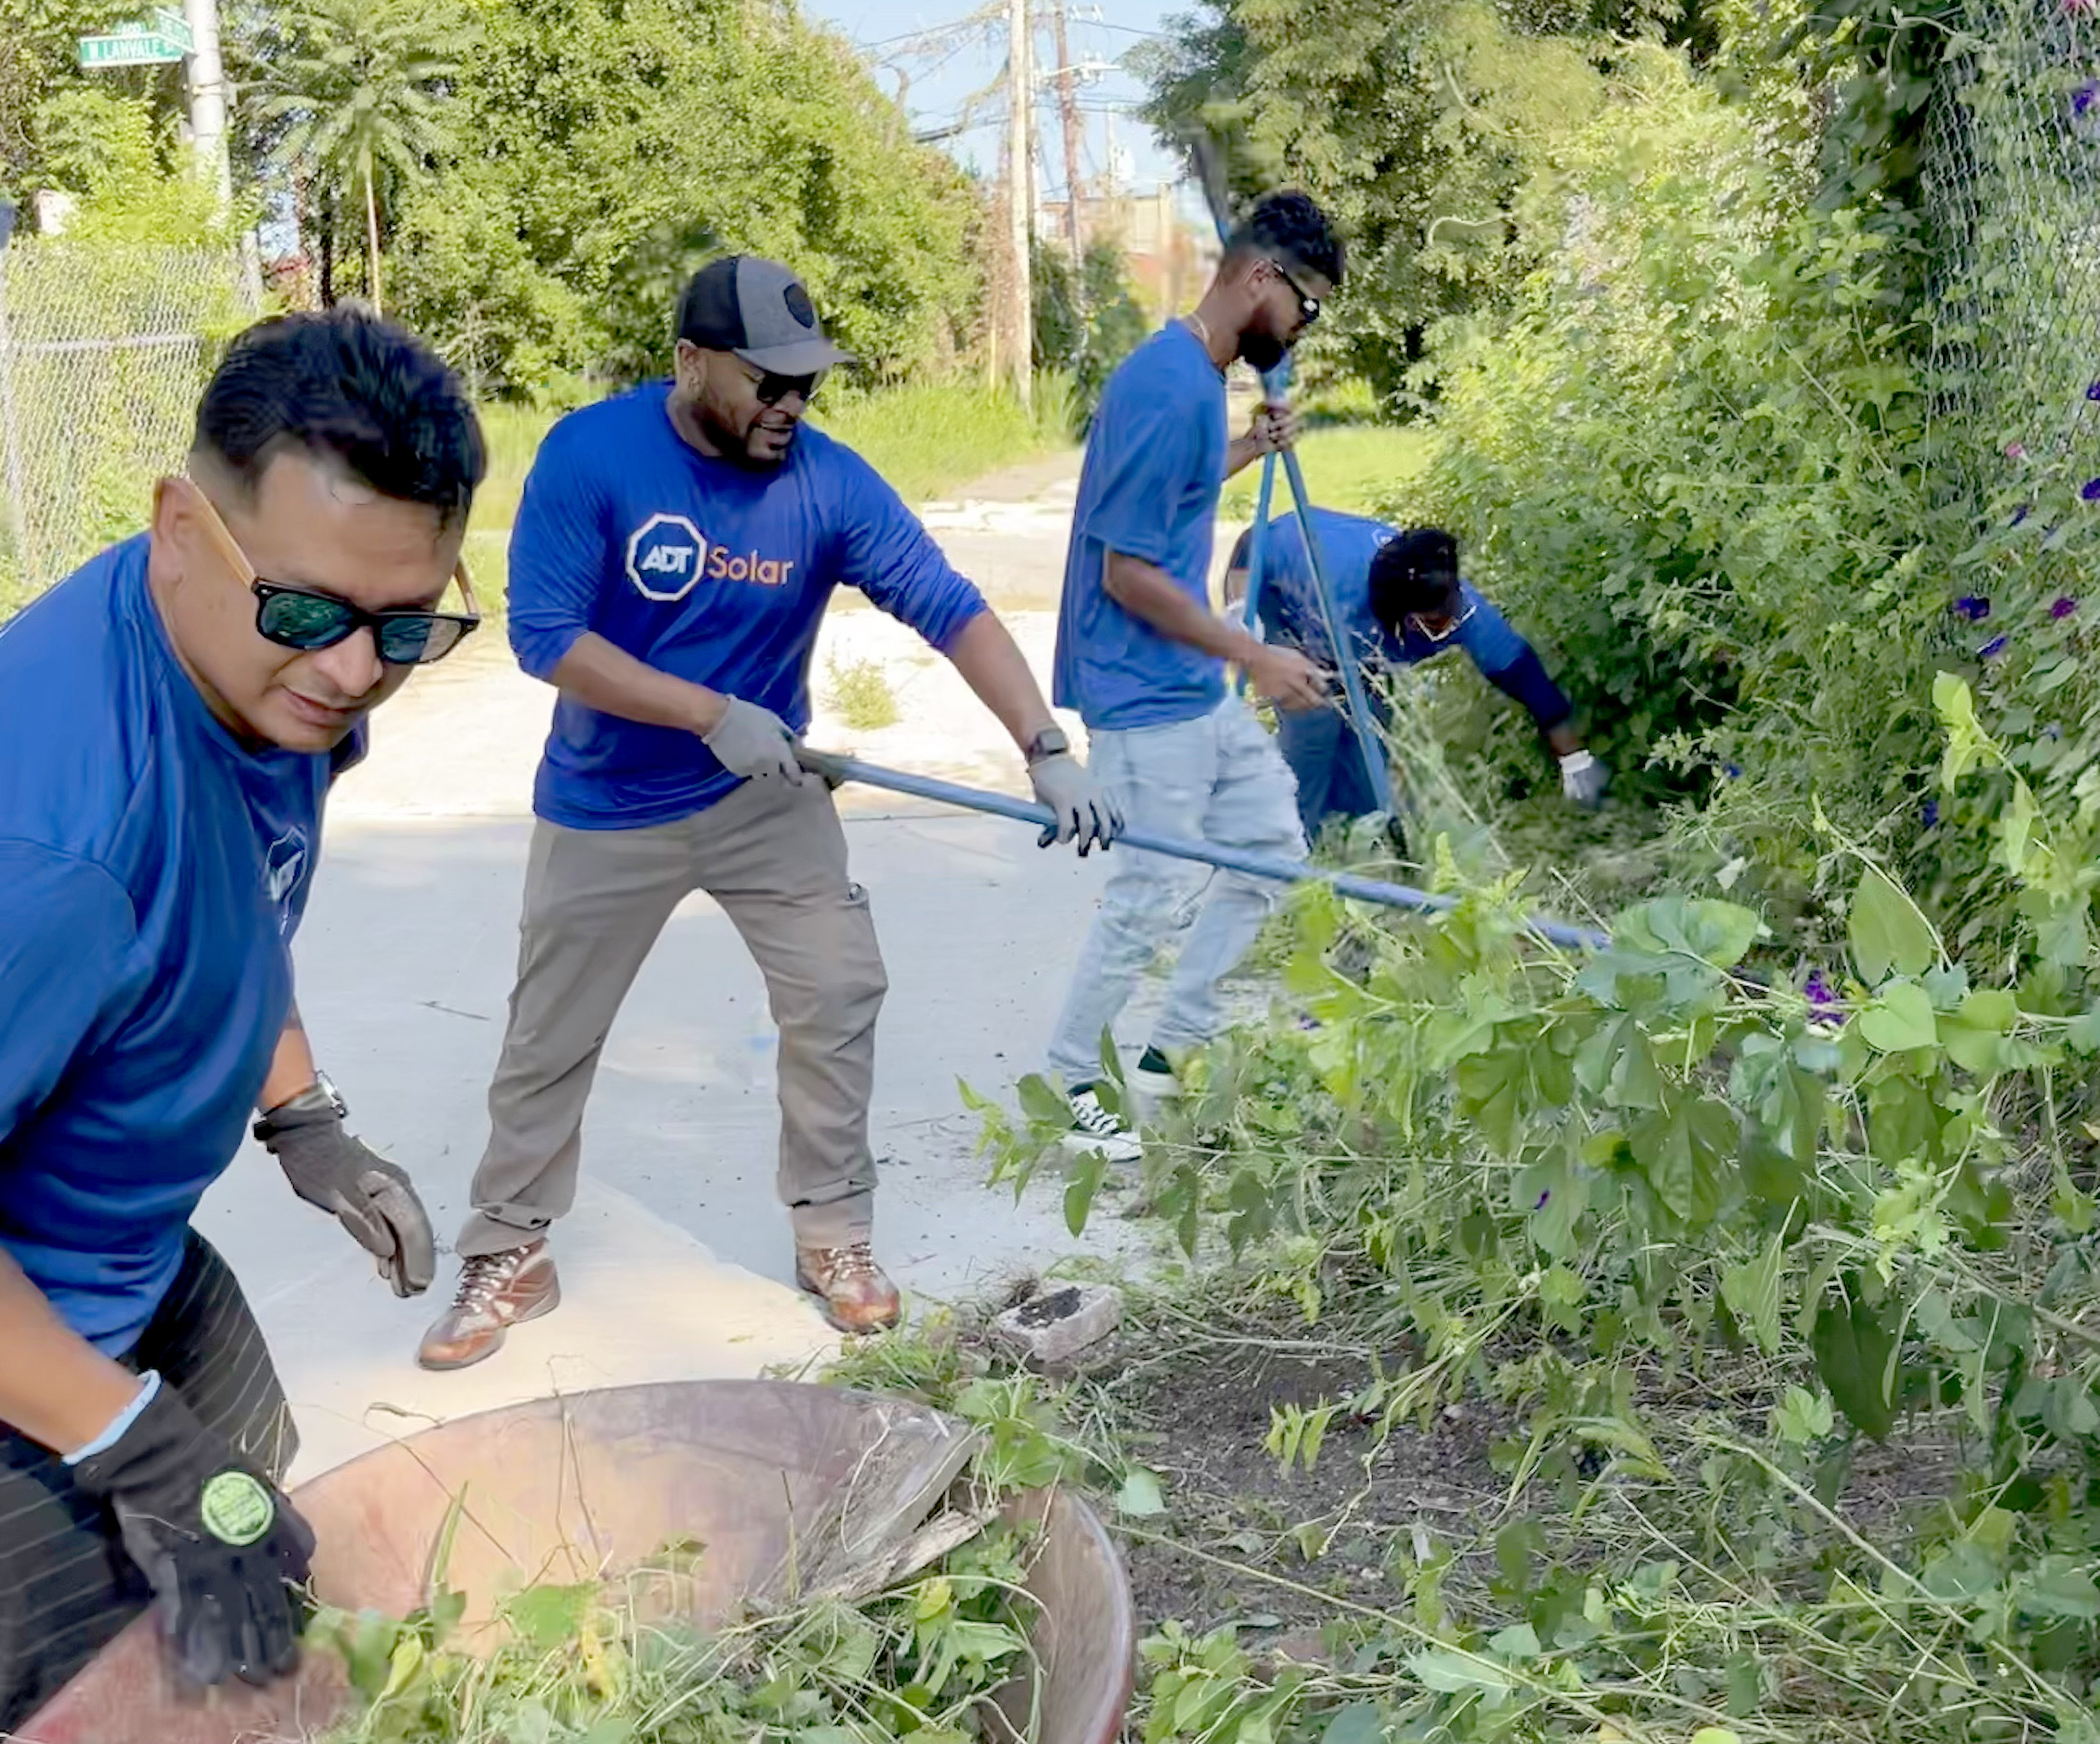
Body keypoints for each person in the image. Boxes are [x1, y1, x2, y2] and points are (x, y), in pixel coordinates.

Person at [415, 253, 1119, 1366]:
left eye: (808, 383)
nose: (791, 406)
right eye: (768, 383)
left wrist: (1044, 747)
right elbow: (547, 638)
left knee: (838, 987)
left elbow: (952, 607)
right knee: (551, 1035)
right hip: (607, 803)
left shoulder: (828, 484)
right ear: (691, 362)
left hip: (765, 793)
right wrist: (707, 712)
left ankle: (833, 1234)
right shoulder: (592, 456)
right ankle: (510, 1248)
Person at [0, 307, 481, 1730]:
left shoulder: (280, 669)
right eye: (315, 615)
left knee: (265, 1539)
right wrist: (131, 1444)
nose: (353, 672)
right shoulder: (54, 852)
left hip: (129, 1260)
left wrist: (304, 1113)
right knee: (114, 1676)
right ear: (176, 524)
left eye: (408, 625)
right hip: (36, 1343)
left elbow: (239, 897)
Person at [1042, 190, 1344, 1164]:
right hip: (1140, 688)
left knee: (1269, 847)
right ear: (1263, 279)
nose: (1303, 329)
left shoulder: (1192, 383)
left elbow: (1166, 492)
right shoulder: (1168, 385)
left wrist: (1249, 448)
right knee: (1151, 891)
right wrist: (1253, 653)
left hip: (1187, 684)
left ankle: (1173, 1052)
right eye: (1308, 306)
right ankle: (1069, 1079)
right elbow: (1125, 571)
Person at [1225, 515, 1606, 835]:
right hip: (1285, 609)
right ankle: (1286, 851)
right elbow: (1250, 543)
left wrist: (1573, 759)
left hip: (1357, 648)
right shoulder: (1318, 562)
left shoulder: (1457, 609)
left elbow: (1524, 677)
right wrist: (1244, 628)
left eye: (1452, 612)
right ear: (1396, 615)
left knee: (1369, 750)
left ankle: (1353, 843)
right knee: (1315, 723)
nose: (1450, 626)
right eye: (1434, 624)